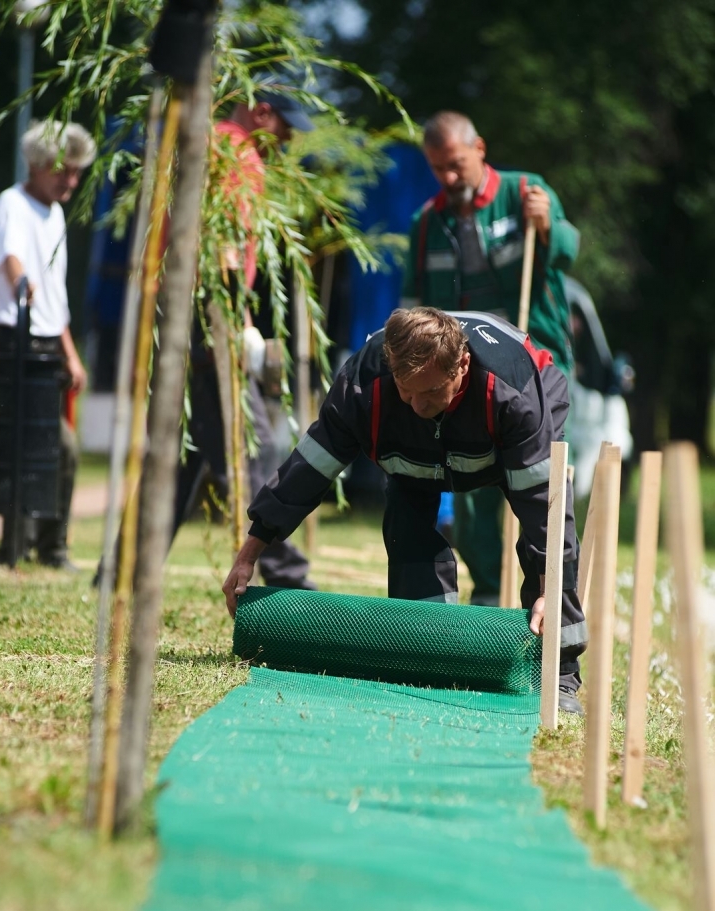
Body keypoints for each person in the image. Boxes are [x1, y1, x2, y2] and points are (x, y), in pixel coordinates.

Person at [223, 307, 587, 714]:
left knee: (545, 536)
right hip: (416, 453)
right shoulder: (362, 388)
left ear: (462, 365)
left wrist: (546, 587)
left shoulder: (514, 397)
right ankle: (432, 652)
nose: (416, 404)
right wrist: (250, 551)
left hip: (514, 415)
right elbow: (308, 470)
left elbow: (544, 510)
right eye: (405, 388)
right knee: (404, 521)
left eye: (429, 391)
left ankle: (559, 674)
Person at [401, 111, 579, 606]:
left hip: (532, 362)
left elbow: (567, 251)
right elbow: (412, 300)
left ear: (479, 148)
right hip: (466, 373)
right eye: (438, 169)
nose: (449, 177)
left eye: (456, 164)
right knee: (474, 482)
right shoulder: (426, 223)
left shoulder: (525, 192)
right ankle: (484, 595)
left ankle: (547, 593)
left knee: (539, 480)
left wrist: (547, 226)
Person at [169, 91, 315, 588]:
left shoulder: (212, 145)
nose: (289, 139)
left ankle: (122, 568)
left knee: (184, 454)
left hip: (201, 310)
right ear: (262, 112)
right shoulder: (234, 152)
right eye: (285, 127)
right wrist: (227, 319)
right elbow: (223, 244)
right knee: (254, 446)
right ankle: (285, 570)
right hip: (211, 313)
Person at [0, 119, 95, 568]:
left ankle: (46, 545)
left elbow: (56, 296)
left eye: (75, 173)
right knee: (31, 443)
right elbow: (11, 257)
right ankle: (22, 547)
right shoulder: (12, 204)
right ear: (37, 164)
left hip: (49, 342)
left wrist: (70, 353)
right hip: (15, 338)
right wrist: (20, 283)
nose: (70, 181)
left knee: (54, 445)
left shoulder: (56, 214)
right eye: (61, 171)